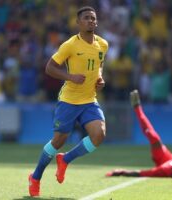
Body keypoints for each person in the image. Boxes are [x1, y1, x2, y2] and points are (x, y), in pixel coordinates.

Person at [28, 6, 109, 197]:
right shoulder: (70, 45)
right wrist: (71, 77)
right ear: (78, 23)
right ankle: (36, 177)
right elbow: (50, 68)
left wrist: (99, 78)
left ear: (96, 22)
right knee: (58, 141)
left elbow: (99, 64)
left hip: (89, 100)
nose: (90, 20)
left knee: (99, 135)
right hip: (69, 101)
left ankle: (65, 160)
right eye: (86, 18)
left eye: (93, 18)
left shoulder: (103, 44)